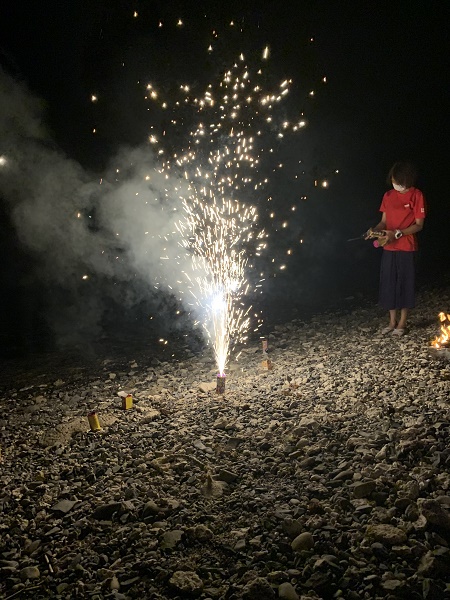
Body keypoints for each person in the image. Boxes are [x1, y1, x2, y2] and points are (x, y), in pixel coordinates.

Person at [366, 161, 426, 335]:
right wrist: (374, 231)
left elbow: (419, 225)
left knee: (405, 282)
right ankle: (391, 321)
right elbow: (383, 222)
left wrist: (398, 233)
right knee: (388, 283)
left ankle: (402, 323)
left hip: (407, 246)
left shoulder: (416, 195)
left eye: (399, 181)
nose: (396, 184)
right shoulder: (388, 196)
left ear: (408, 180)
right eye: (394, 180)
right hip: (389, 247)